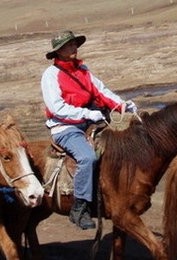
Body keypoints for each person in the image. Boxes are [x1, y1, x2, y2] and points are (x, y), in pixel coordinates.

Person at [41, 30, 137, 230]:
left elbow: (101, 91)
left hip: (90, 124)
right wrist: (86, 114)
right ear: (58, 51)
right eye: (69, 45)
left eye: (75, 44)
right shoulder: (51, 75)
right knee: (87, 158)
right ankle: (80, 207)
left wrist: (122, 105)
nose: (74, 47)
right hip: (66, 127)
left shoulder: (83, 69)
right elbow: (56, 107)